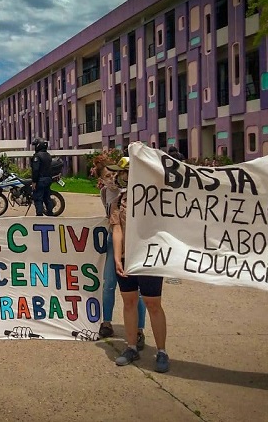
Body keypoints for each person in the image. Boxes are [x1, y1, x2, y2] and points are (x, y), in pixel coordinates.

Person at [108, 156, 170, 373]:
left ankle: (161, 351)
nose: (119, 177)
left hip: (149, 260)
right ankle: (131, 346)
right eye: (120, 174)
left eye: (123, 173)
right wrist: (117, 257)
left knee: (153, 304)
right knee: (129, 302)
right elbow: (117, 229)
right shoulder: (118, 201)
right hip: (126, 260)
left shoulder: (155, 199)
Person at [96, 160, 147, 347]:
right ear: (101, 179)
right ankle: (107, 322)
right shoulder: (104, 193)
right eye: (107, 176)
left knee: (138, 290)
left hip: (134, 243)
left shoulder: (129, 192)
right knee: (109, 283)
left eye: (114, 175)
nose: (112, 179)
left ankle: (139, 329)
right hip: (113, 240)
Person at [30, 138, 54, 217]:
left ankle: (39, 214)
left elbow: (36, 170)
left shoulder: (37, 156)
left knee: (38, 198)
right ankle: (50, 213)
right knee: (47, 197)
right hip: (48, 179)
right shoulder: (48, 155)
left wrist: (34, 181)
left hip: (41, 180)